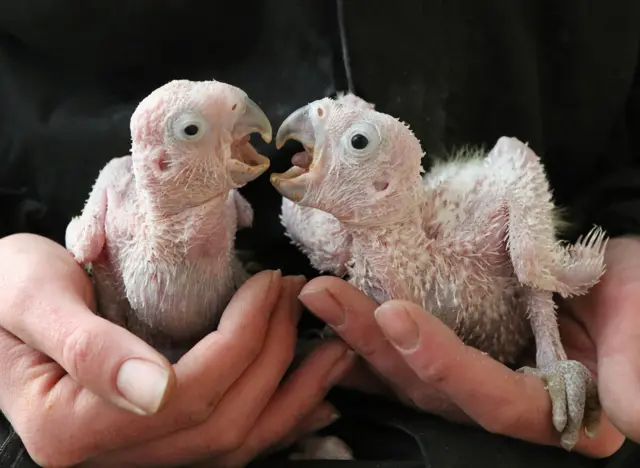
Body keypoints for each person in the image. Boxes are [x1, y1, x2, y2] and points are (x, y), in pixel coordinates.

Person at [1, 1, 640, 467]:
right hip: (87, 392)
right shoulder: (301, 227)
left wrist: (607, 243)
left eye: (356, 140)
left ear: (389, 184)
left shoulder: (464, 223)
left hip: (527, 413)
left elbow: (520, 162)